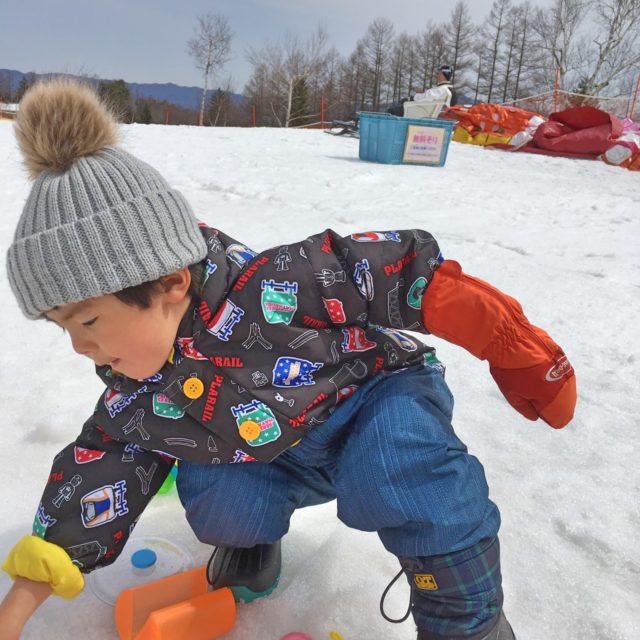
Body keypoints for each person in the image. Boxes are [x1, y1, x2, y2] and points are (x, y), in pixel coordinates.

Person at [0, 80, 576, 640]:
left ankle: (465, 621)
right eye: (64, 329)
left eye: (89, 321)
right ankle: (252, 545)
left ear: (170, 283)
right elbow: (101, 466)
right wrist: (33, 580)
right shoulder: (139, 389)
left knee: (398, 470)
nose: (80, 347)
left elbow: (402, 274)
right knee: (217, 497)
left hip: (370, 399)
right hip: (271, 449)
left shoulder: (276, 285)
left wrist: (511, 344)